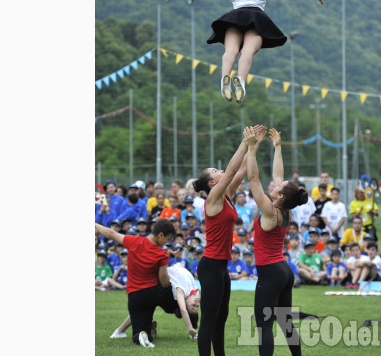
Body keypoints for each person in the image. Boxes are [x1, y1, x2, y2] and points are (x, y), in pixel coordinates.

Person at [156, 0, 332, 104]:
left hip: (235, 17)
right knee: (247, 50)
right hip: (257, 18)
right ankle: (240, 80)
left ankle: (225, 77)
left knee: (231, 50)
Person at [191, 124, 263, 356]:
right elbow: (231, 170)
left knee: (222, 317)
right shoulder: (213, 197)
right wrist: (244, 142)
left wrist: (254, 146)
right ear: (212, 182)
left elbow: (240, 171)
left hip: (222, 266)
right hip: (211, 266)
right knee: (209, 320)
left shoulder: (226, 196)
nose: (220, 170)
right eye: (215, 170)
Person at [244, 125, 306, 356]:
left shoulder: (270, 211)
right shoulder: (286, 209)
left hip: (271, 272)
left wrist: (251, 150)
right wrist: (277, 148)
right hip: (283, 270)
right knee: (285, 322)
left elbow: (253, 179)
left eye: (277, 188)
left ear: (280, 196)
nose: (274, 184)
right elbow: (278, 176)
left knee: (264, 325)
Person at [95, 218, 176, 348]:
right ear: (161, 235)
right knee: (179, 302)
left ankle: (143, 333)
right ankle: (192, 326)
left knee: (140, 335)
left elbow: (111, 233)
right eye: (167, 239)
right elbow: (164, 282)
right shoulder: (161, 253)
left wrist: (95, 224)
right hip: (154, 293)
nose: (167, 242)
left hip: (134, 296)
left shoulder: (133, 241)